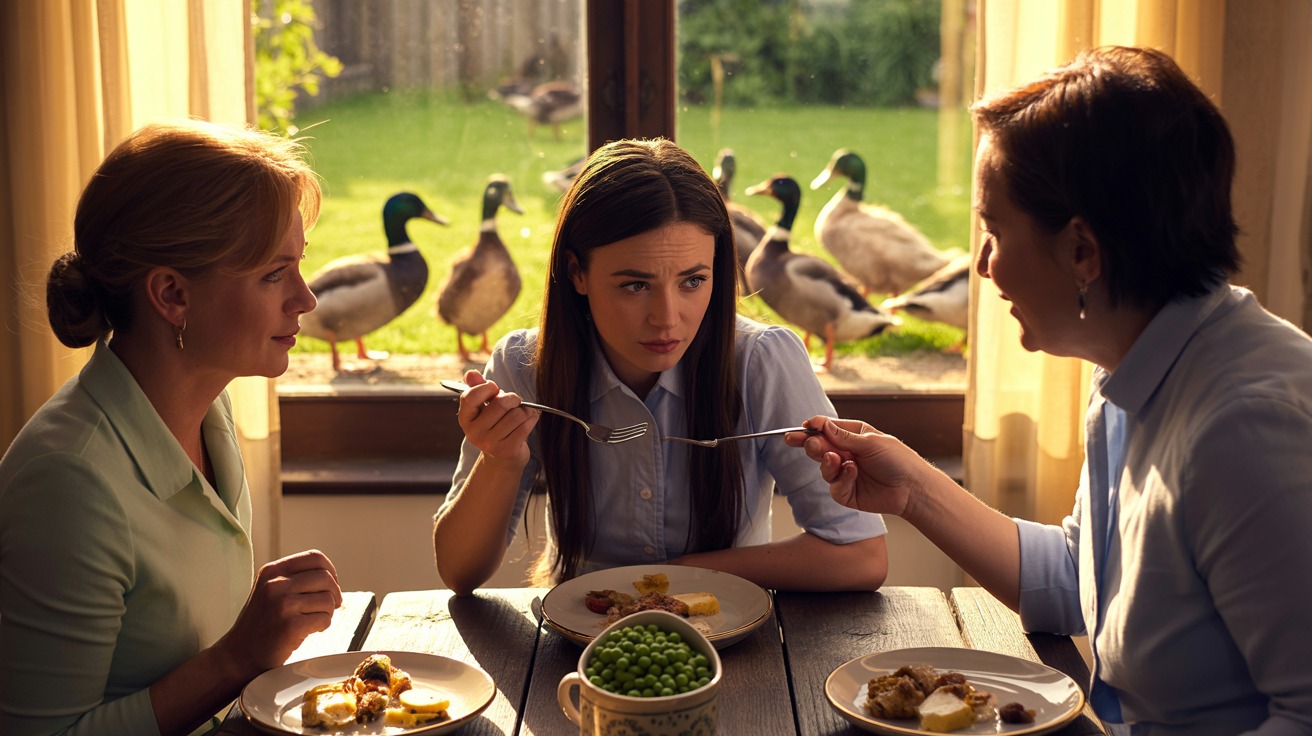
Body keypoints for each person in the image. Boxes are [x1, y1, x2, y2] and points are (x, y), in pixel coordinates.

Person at [787, 46, 1312, 735]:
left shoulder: (1247, 428)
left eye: (994, 230)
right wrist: (912, 489)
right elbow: (1081, 580)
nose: (982, 265)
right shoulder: (1133, 372)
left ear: (1082, 251)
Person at [0, 120, 343, 736]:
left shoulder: (209, 409)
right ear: (172, 295)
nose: (306, 299)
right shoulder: (68, 483)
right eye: (274, 274)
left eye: (299, 265)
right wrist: (237, 658)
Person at [433, 138, 888, 595]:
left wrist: (678, 574)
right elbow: (459, 571)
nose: (667, 318)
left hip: (729, 628)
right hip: (570, 632)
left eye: (693, 280)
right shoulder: (524, 366)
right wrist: (500, 460)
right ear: (577, 273)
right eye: (635, 286)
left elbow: (861, 555)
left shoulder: (762, 360)